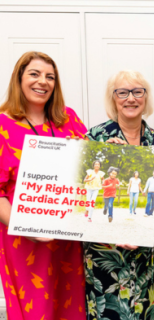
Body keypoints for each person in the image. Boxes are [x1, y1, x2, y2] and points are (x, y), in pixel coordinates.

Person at [0, 51, 87, 319]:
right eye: (34, 74)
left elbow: (91, 166)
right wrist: (27, 227)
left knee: (71, 307)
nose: (43, 82)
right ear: (19, 78)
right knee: (35, 310)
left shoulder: (68, 118)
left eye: (50, 77)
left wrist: (112, 152)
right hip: (22, 237)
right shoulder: (2, 123)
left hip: (67, 237)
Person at [84, 70, 154, 320]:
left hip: (145, 242)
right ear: (114, 98)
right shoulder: (95, 137)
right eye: (123, 92)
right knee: (108, 309)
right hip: (105, 244)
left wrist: (137, 227)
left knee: (145, 307)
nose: (130, 98)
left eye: (137, 91)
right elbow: (85, 191)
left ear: (146, 96)